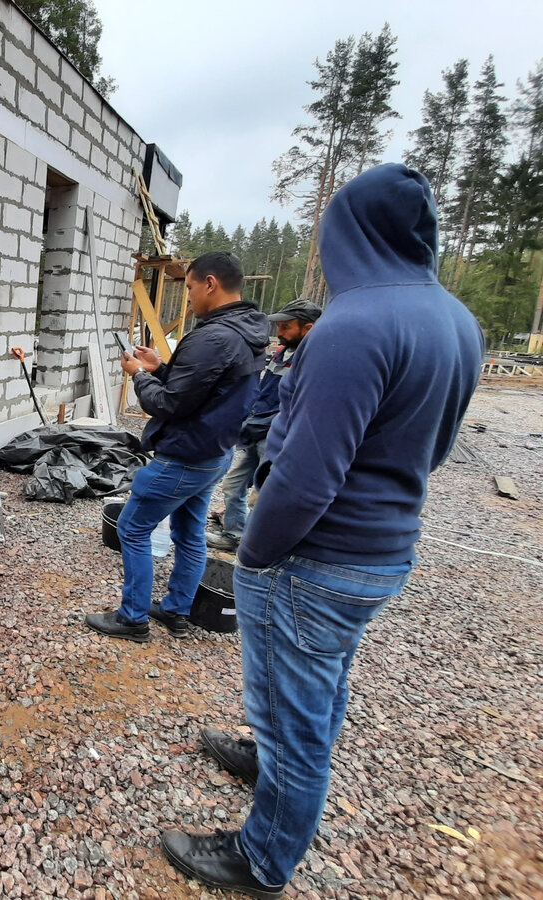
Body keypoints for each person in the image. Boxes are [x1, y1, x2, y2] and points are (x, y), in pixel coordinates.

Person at [161, 164, 484, 898]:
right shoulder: (459, 323)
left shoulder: (353, 326)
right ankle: (269, 758)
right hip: (384, 551)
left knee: (295, 720)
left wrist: (256, 555)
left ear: (350, 233)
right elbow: (433, 450)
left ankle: (262, 859)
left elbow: (306, 475)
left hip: (316, 556)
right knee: (324, 678)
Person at [85, 252, 269, 642]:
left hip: (184, 456)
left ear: (210, 284)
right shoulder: (247, 333)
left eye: (188, 287)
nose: (188, 298)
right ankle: (175, 611)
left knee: (133, 529)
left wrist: (137, 375)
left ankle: (132, 619)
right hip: (214, 454)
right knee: (189, 535)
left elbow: (167, 403)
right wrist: (161, 369)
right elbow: (206, 392)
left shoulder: (213, 336)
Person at [206, 298, 321, 552]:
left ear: (309, 328)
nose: (279, 332)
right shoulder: (282, 353)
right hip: (256, 430)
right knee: (234, 484)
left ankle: (261, 548)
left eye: (286, 327)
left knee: (266, 495)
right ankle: (236, 535)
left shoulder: (315, 360)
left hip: (277, 436)